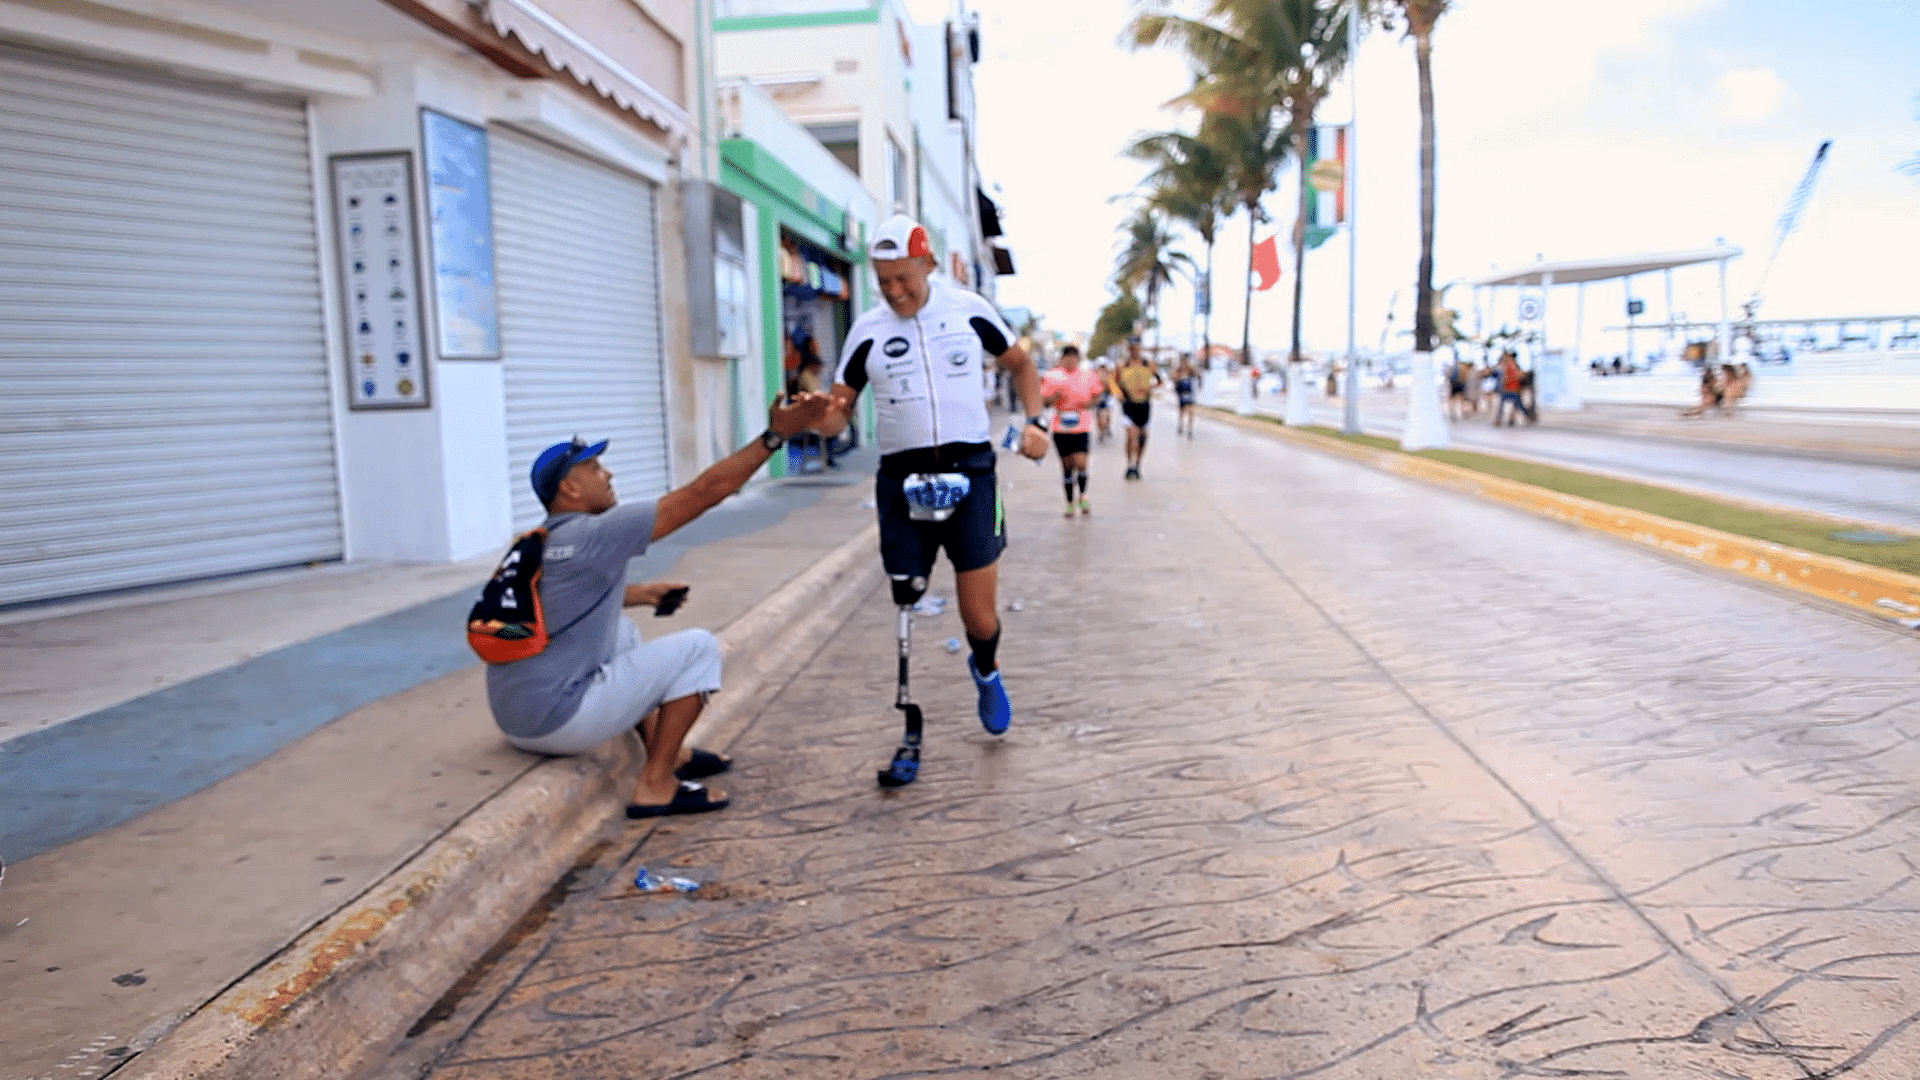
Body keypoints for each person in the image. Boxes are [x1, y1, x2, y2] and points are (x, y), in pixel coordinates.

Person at [485, 395, 836, 818]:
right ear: (570, 488)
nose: (608, 473)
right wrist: (776, 436)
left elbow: (560, 599)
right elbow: (706, 492)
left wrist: (645, 593)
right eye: (595, 469)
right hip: (559, 724)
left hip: (515, 719)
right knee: (698, 648)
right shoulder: (597, 532)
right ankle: (656, 785)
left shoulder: (538, 542)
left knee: (624, 633)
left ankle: (673, 753)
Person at [815, 215, 1049, 783]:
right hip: (902, 478)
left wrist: (1035, 422)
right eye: (883, 280)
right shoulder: (867, 330)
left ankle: (986, 672)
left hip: (970, 469)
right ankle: (907, 723)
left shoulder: (968, 309)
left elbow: (1019, 364)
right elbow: (838, 408)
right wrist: (815, 418)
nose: (895, 291)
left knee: (977, 613)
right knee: (906, 596)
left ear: (928, 266)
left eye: (904, 278)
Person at [1042, 344, 1105, 516]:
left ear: (1078, 359)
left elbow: (1098, 394)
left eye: (1073, 357)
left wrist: (1090, 403)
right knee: (1067, 465)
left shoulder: (1087, 375)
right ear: (1062, 359)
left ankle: (1083, 495)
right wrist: (1054, 397)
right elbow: (1045, 401)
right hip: (1061, 427)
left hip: (1081, 424)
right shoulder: (1052, 376)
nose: (1070, 361)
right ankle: (1069, 501)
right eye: (1067, 357)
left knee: (1081, 462)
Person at [1110, 341, 1163, 479]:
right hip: (1129, 404)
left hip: (1144, 405)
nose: (1135, 350)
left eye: (1137, 348)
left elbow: (1159, 381)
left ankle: (1138, 465)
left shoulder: (1149, 365)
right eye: (1132, 348)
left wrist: (1150, 389)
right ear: (1129, 349)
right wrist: (1118, 394)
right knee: (1132, 435)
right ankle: (1129, 465)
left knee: (1143, 438)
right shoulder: (1122, 365)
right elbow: (1113, 381)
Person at [1493, 352, 1535, 427]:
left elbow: (1508, 377)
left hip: (1510, 389)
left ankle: (1500, 420)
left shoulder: (1509, 365)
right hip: (1513, 389)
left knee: (1513, 405)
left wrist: (1505, 382)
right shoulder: (1513, 365)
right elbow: (1519, 375)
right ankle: (1526, 419)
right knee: (1518, 405)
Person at [1172, 356, 1199, 438]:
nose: (1184, 364)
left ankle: (1190, 429)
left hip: (1190, 394)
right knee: (1181, 411)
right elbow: (1173, 378)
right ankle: (1181, 424)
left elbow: (1198, 374)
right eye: (1182, 362)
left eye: (1185, 362)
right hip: (1182, 394)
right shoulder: (1178, 371)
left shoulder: (1191, 371)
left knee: (1191, 412)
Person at [1093, 360, 1115, 443]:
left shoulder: (1109, 375)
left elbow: (1112, 388)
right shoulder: (1095, 375)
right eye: (1100, 366)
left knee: (1106, 415)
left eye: (1103, 367)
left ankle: (1106, 427)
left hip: (1107, 397)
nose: (1102, 368)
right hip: (1097, 397)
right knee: (1098, 416)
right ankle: (1101, 431)